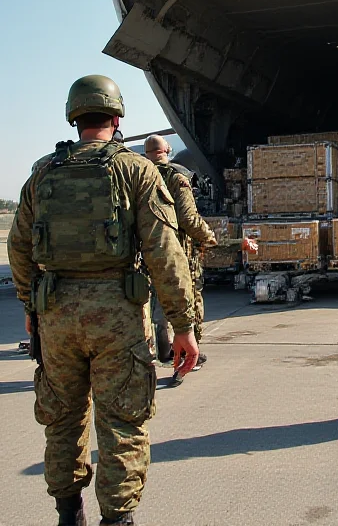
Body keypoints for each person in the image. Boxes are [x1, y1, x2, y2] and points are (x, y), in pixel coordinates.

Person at [8, 75, 198, 526]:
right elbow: (165, 254)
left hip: (56, 317)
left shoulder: (42, 172)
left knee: (62, 421)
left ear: (75, 118)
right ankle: (118, 519)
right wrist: (184, 324)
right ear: (116, 118)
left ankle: (68, 514)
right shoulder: (135, 170)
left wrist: (31, 309)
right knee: (123, 423)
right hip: (118, 317)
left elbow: (18, 248)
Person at [143, 134, 257, 386]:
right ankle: (183, 364)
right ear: (167, 151)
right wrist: (219, 241)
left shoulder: (136, 176)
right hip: (178, 257)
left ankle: (164, 353)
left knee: (157, 313)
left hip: (145, 256)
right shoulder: (176, 176)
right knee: (189, 310)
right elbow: (190, 221)